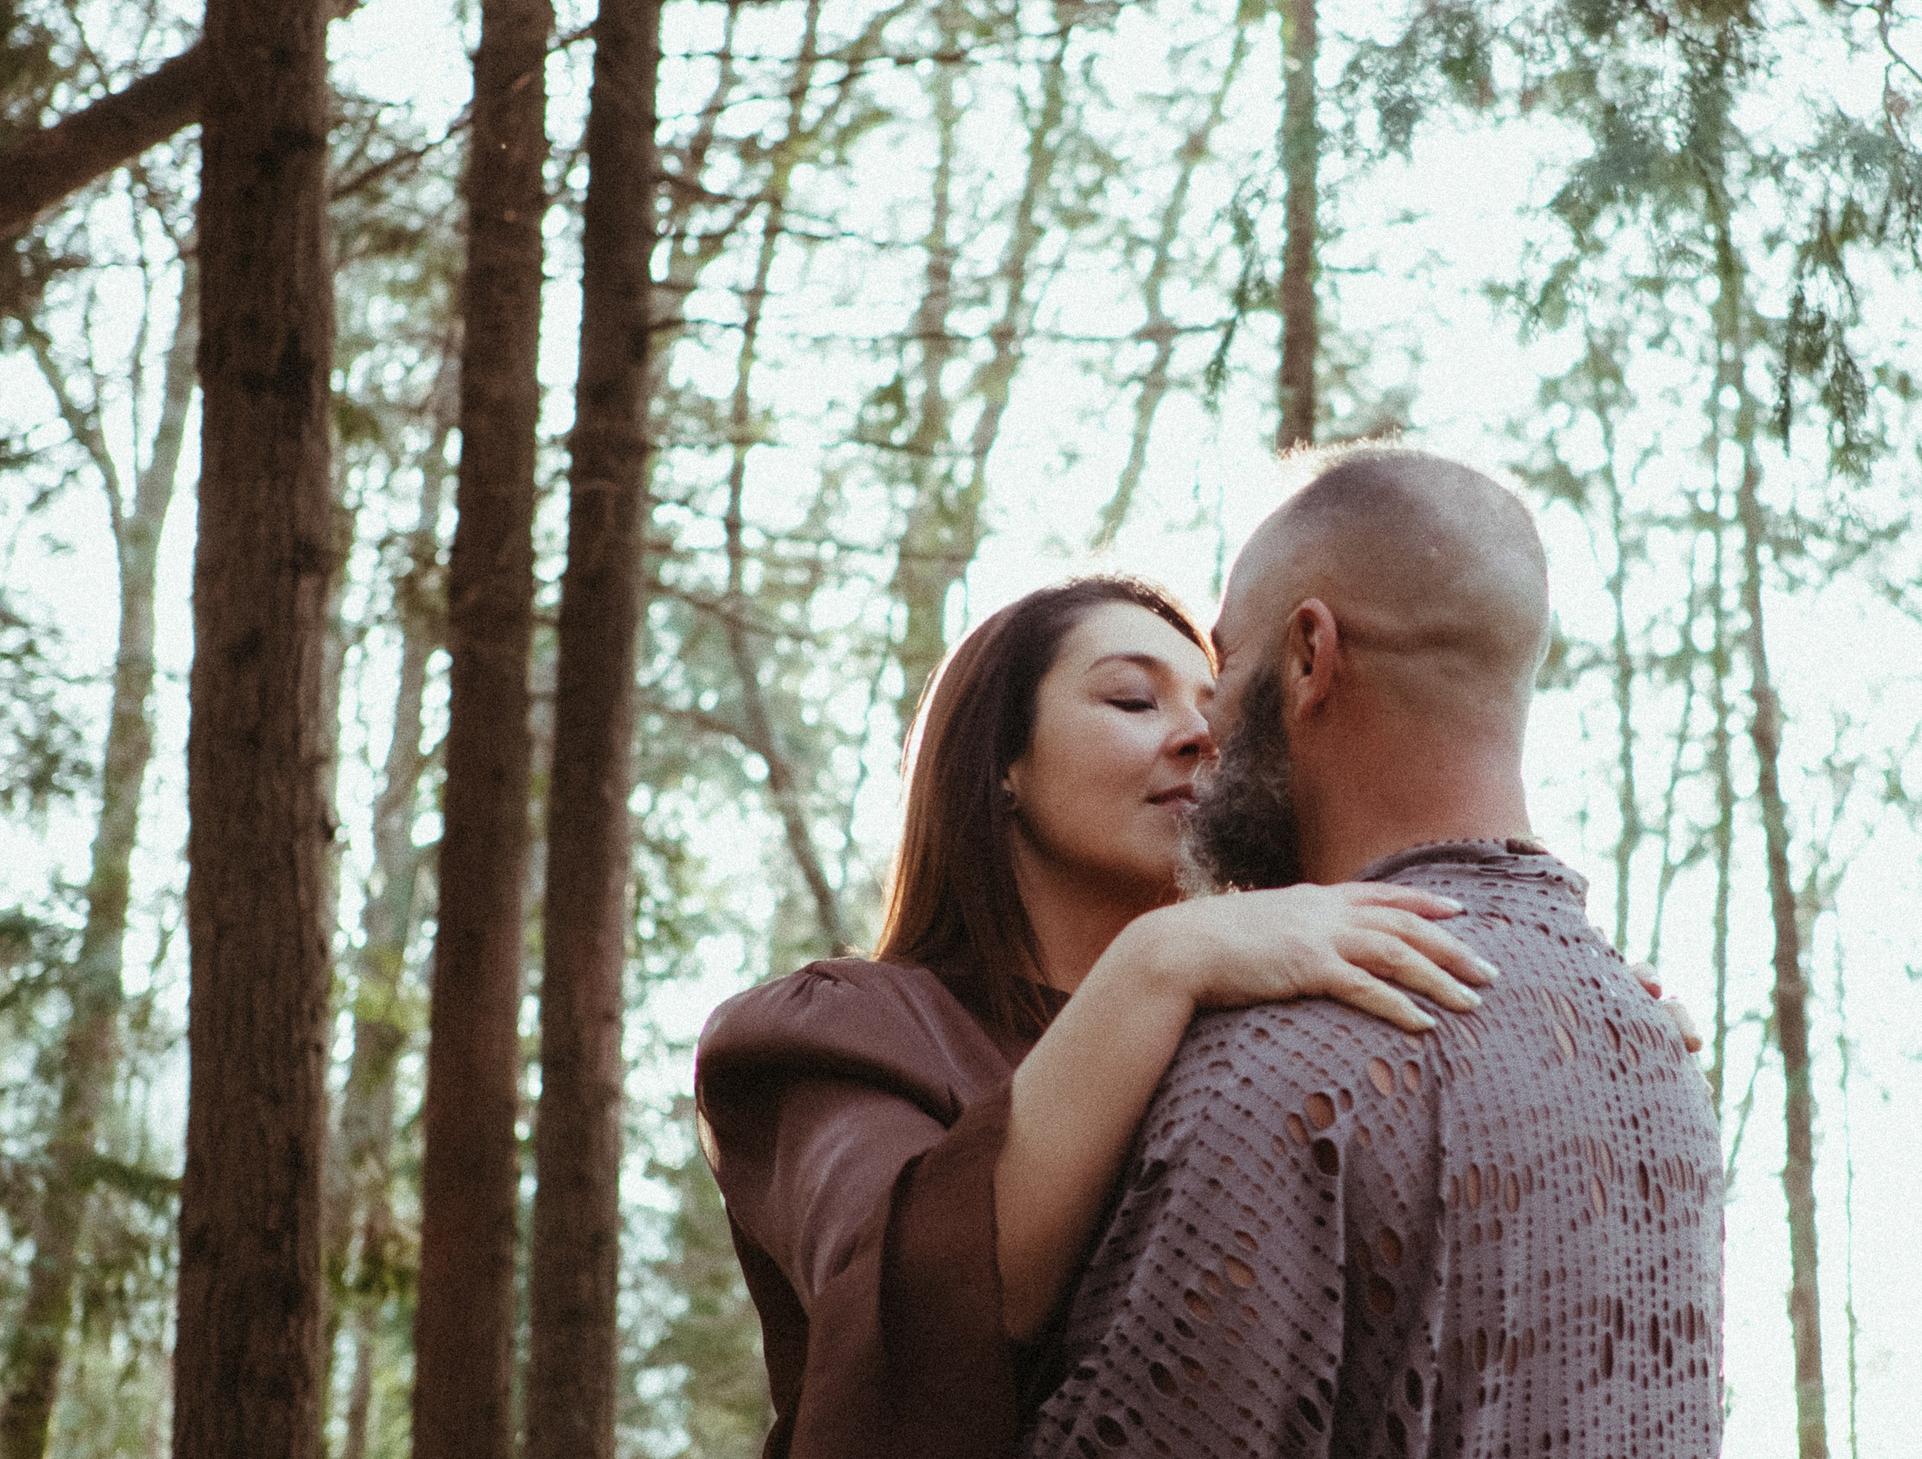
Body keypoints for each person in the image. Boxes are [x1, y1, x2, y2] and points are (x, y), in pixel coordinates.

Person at [692, 575, 1504, 1459]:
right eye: (1132, 697)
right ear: (1001, 760)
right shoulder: (829, 1034)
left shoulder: (1270, 1038)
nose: (1201, 736)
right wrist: (1158, 962)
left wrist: (1556, 1031)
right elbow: (916, 1329)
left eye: (1213, 707)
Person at [1025, 448, 1727, 1459]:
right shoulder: (1653, 1049)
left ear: (1311, 655)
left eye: (1222, 670)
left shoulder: (1282, 1070)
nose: (1203, 729)